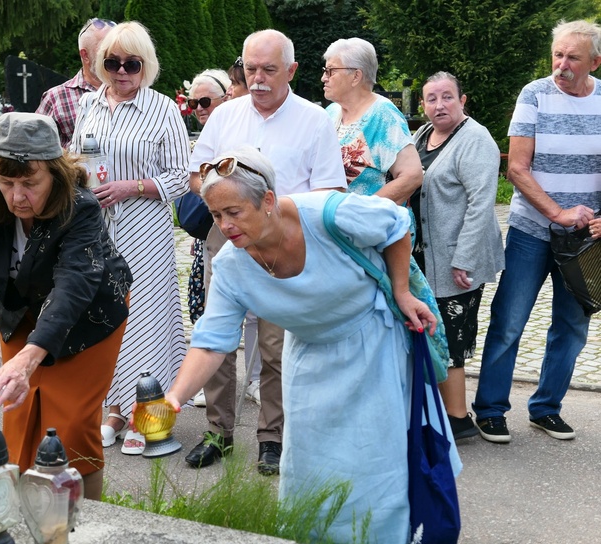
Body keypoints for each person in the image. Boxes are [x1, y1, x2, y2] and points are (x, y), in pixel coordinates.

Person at [158, 146, 457, 544]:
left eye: (234, 212)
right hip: (309, 355)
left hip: (371, 342)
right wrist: (175, 396)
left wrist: (402, 291)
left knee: (375, 455)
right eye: (215, 215)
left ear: (266, 201)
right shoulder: (231, 265)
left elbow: (395, 223)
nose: (225, 225)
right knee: (312, 462)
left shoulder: (325, 213)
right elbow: (212, 340)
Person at [0, 113, 132, 500]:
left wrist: (27, 359)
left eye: (29, 183)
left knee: (69, 425)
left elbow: (74, 286)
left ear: (54, 174)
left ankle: (81, 522)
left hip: (88, 317)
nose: (17, 197)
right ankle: (27, 513)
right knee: (20, 418)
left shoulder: (80, 206)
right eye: (7, 183)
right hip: (22, 310)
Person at [187, 29, 346, 475]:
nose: (257, 79)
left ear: (291, 71)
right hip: (228, 237)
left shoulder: (315, 120)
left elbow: (331, 190)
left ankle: (272, 437)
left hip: (282, 244)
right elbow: (195, 175)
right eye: (250, 68)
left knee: (277, 346)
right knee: (218, 336)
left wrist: (279, 218)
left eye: (268, 70)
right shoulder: (225, 117)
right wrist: (221, 195)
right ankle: (218, 431)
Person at [473, 19, 601, 443]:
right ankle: (490, 410)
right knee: (509, 319)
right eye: (557, 55)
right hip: (532, 230)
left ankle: (546, 409)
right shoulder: (535, 94)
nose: (562, 65)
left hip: (586, 239)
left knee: (572, 325)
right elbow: (517, 167)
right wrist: (558, 212)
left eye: (573, 58)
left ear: (595, 62)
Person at [69, 21, 190, 455]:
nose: (122, 72)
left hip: (144, 229)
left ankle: (149, 413)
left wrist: (131, 186)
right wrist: (79, 181)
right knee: (107, 316)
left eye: (131, 64)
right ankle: (117, 408)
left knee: (146, 319)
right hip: (99, 229)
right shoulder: (89, 106)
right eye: (113, 63)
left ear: (146, 66)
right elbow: (76, 158)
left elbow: (180, 177)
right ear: (100, 64)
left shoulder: (162, 110)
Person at [412, 71, 504, 441]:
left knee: (450, 335)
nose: (439, 105)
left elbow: (482, 204)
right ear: (423, 105)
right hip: (426, 256)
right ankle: (445, 413)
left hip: (457, 259)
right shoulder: (421, 135)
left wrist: (463, 258)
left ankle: (458, 418)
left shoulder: (475, 140)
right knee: (436, 330)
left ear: (462, 100)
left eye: (447, 97)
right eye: (431, 99)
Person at [322, 38, 422, 204]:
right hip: (334, 224)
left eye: (331, 71)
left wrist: (364, 211)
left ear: (356, 76)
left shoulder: (383, 114)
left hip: (372, 226)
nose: (324, 78)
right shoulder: (331, 112)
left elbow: (412, 175)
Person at [183, 69, 231, 408]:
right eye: (193, 102)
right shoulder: (207, 133)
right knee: (206, 310)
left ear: (225, 97)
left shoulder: (233, 127)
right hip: (210, 234)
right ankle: (210, 388)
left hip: (236, 227)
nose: (199, 108)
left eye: (205, 101)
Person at [36, 17, 116, 147]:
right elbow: (36, 150)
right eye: (105, 49)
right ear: (85, 55)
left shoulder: (134, 94)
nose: (114, 55)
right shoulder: (56, 98)